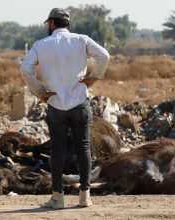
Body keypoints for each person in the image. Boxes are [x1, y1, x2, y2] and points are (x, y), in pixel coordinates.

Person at [21, 8, 109, 209]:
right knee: (83, 147)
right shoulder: (81, 39)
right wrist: (93, 77)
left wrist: (40, 91)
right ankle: (85, 196)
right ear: (66, 23)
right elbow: (104, 55)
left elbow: (25, 69)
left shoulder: (40, 45)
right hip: (80, 102)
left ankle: (57, 198)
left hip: (55, 105)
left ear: (52, 23)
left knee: (58, 150)